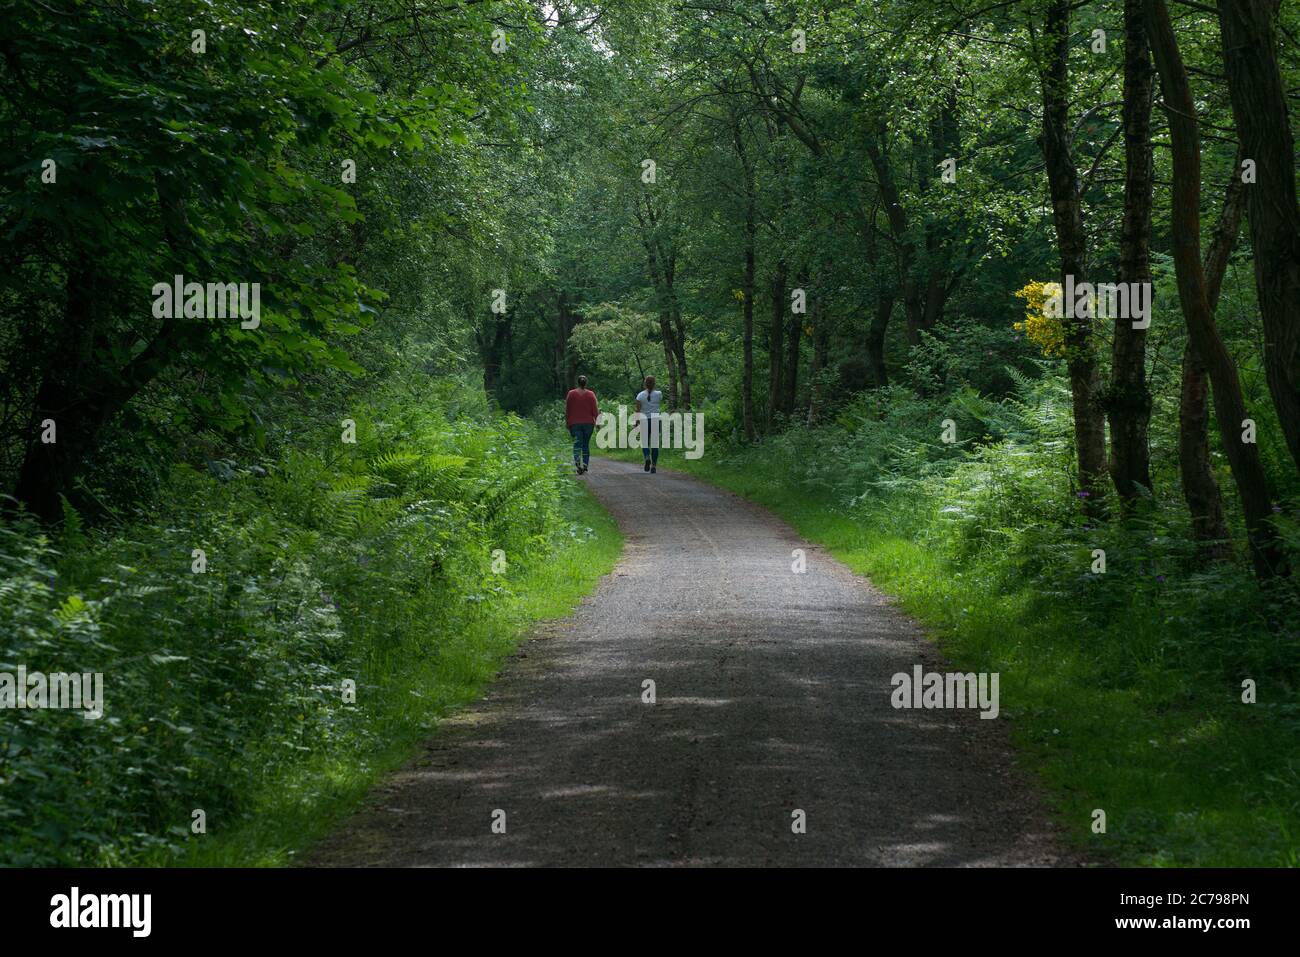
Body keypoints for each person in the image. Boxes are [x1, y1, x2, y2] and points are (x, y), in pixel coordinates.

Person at [565, 375, 599, 474]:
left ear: (578, 383)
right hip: (588, 424)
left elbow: (567, 409)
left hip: (574, 423)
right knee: (585, 445)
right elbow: (595, 411)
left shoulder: (571, 394)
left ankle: (577, 464)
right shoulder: (591, 394)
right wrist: (598, 422)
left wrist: (567, 422)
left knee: (577, 445)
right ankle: (585, 464)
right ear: (586, 383)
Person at [635, 374, 662, 474]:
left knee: (645, 442)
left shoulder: (640, 395)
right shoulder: (659, 394)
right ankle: (654, 466)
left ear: (645, 384)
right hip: (655, 419)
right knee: (655, 444)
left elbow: (637, 410)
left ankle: (647, 457)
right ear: (654, 384)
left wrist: (636, 422)